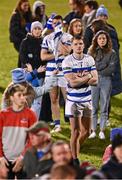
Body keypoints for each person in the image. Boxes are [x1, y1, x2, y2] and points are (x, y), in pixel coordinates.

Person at [62, 35, 98, 163]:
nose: (78, 46)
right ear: (71, 46)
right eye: (76, 44)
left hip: (87, 101)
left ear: (84, 45)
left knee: (87, 132)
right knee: (76, 132)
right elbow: (72, 83)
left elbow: (96, 80)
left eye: (81, 44)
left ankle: (72, 149)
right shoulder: (67, 61)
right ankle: (74, 159)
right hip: (74, 102)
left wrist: (80, 79)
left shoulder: (89, 59)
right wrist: (88, 76)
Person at [41, 15, 72, 132]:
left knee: (68, 98)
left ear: (62, 23)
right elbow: (43, 56)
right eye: (54, 23)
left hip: (64, 71)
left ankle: (73, 123)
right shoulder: (47, 38)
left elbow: (67, 51)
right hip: (51, 71)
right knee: (53, 99)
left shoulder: (68, 37)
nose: (57, 24)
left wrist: (59, 38)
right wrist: (56, 54)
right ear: (51, 25)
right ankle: (57, 125)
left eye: (58, 22)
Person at [0, 84, 37, 179]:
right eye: (19, 95)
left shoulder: (31, 115)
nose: (23, 98)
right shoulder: (2, 115)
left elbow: (32, 139)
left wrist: (22, 157)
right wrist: (1, 157)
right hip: (5, 160)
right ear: (12, 98)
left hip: (24, 159)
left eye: (24, 95)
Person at [83, 4, 121, 96]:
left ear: (107, 17)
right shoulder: (90, 29)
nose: (102, 17)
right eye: (100, 15)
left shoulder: (111, 30)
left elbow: (116, 47)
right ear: (96, 17)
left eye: (104, 16)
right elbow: (85, 45)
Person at [88, 30, 117, 140]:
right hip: (94, 80)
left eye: (104, 38)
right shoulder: (91, 51)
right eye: (99, 38)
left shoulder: (112, 53)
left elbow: (111, 69)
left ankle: (102, 130)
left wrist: (98, 68)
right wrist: (103, 65)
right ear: (96, 40)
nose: (102, 40)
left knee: (104, 106)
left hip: (106, 80)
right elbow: (89, 66)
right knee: (94, 106)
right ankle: (93, 130)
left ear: (107, 40)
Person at [9, 0, 32, 66]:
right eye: (25, 5)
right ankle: (21, 70)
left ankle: (23, 69)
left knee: (24, 54)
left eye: (27, 5)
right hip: (18, 40)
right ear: (20, 6)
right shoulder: (16, 16)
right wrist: (26, 36)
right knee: (23, 54)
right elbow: (15, 30)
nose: (27, 7)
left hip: (26, 39)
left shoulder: (28, 15)